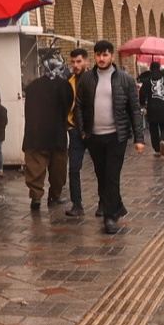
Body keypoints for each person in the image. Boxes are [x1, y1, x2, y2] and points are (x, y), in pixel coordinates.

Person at [74, 40, 146, 234]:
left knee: (112, 175)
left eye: (105, 54)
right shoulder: (87, 79)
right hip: (94, 137)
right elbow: (79, 105)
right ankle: (116, 206)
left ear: (111, 56)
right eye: (98, 55)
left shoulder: (125, 79)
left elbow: (134, 110)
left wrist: (139, 138)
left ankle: (110, 216)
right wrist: (83, 131)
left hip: (116, 136)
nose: (101, 58)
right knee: (101, 175)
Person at [21, 57, 68, 210]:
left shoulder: (33, 86)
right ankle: (55, 196)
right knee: (58, 170)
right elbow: (68, 108)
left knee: (35, 168)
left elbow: (28, 111)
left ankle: (36, 197)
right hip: (57, 134)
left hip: (35, 135)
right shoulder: (64, 85)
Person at [62, 48, 90, 217]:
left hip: (93, 131)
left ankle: (104, 203)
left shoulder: (94, 79)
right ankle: (77, 204)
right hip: (75, 131)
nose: (75, 65)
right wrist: (68, 125)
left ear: (86, 61)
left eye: (79, 61)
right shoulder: (69, 81)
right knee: (73, 169)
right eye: (72, 62)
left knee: (101, 169)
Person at [138, 60, 164, 156]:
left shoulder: (147, 80)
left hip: (152, 108)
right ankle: (163, 140)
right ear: (159, 68)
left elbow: (142, 94)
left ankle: (157, 150)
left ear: (150, 69)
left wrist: (142, 104)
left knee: (153, 129)